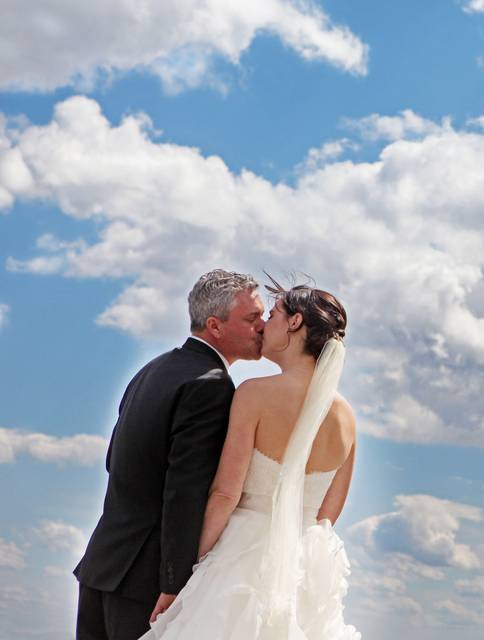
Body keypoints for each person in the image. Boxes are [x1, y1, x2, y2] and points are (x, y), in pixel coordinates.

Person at [139, 273, 360, 639]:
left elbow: (226, 493)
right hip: (304, 571)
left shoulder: (254, 394)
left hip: (241, 561)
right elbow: (327, 514)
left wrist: (188, 576)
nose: (263, 326)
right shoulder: (347, 417)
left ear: (294, 322)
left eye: (272, 315)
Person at [75, 269, 266, 639]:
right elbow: (185, 490)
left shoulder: (153, 369)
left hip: (102, 565)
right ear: (216, 325)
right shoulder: (211, 386)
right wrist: (176, 582)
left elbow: (114, 460)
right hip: (145, 584)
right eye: (251, 317)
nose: (262, 325)